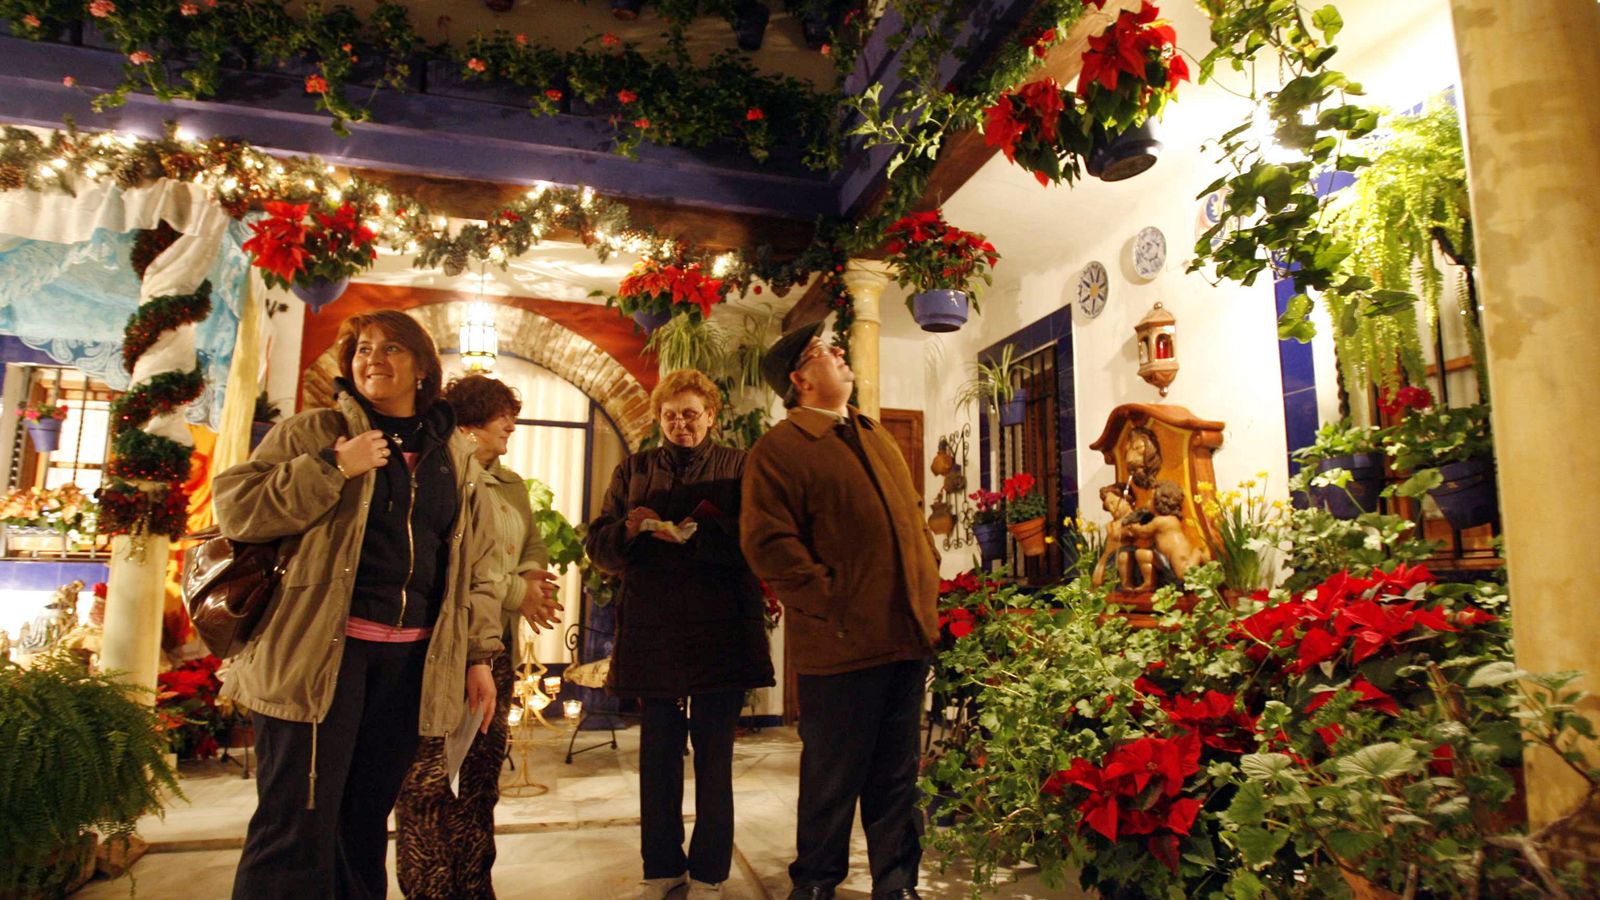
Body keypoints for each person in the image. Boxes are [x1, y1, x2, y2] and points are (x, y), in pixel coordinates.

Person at [215, 310, 503, 900]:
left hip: (405, 667)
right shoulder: (314, 431)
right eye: (363, 347)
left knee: (363, 825)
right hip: (317, 657)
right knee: (294, 826)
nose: (373, 357)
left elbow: (471, 565)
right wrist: (332, 467)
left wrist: (476, 655)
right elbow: (238, 509)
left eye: (391, 348)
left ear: (422, 366)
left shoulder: (452, 455)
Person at [740, 323, 941, 900]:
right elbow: (768, 544)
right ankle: (817, 885)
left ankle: (896, 884)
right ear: (800, 380)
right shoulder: (779, 449)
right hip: (841, 644)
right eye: (825, 351)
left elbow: (911, 522)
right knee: (832, 779)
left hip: (904, 636)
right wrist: (833, 602)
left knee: (898, 778)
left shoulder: (874, 434)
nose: (839, 354)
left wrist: (926, 583)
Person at [584, 368, 775, 900]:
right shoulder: (634, 470)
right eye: (671, 416)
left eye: (691, 414)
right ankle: (662, 868)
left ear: (711, 416)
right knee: (658, 756)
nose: (681, 424)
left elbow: (758, 540)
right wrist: (628, 528)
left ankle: (711, 873)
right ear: (658, 420)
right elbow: (597, 548)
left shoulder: (740, 467)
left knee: (715, 760)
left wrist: (697, 531)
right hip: (655, 630)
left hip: (722, 630)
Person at [394, 373, 563, 899]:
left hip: (495, 650)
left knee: (480, 783)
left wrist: (533, 578)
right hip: (440, 652)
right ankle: (431, 888)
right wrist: (519, 593)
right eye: (502, 426)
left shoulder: (509, 483)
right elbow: (460, 563)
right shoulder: (439, 475)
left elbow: (529, 542)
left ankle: (474, 885)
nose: (509, 435)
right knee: (429, 786)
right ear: (469, 426)